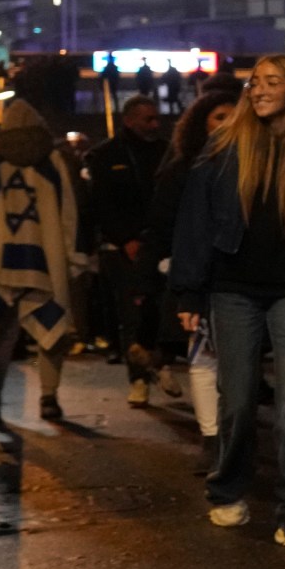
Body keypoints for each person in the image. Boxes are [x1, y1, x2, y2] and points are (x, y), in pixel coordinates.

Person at [170, 55, 285, 553]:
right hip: (233, 288)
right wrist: (189, 290)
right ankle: (228, 489)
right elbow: (195, 220)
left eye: (272, 82)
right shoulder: (225, 143)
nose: (258, 90)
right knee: (239, 399)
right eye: (255, 82)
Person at [0, 99, 84, 425]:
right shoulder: (54, 162)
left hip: (0, 259)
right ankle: (49, 397)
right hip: (45, 254)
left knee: (1, 331)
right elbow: (69, 212)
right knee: (51, 331)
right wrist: (73, 256)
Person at [145, 83, 240, 470]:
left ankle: (235, 436)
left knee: (239, 362)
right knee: (203, 358)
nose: (229, 124)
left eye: (235, 115)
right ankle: (212, 439)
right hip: (199, 277)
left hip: (240, 277)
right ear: (201, 125)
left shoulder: (258, 165)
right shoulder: (182, 170)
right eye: (219, 117)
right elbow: (163, 226)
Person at [86, 95, 169, 407]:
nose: (154, 125)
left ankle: (157, 364)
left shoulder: (164, 153)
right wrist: (125, 239)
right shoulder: (106, 155)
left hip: (157, 244)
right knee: (131, 314)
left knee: (161, 311)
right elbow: (102, 205)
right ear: (129, 120)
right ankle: (138, 379)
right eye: (147, 119)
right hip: (122, 249)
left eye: (155, 118)